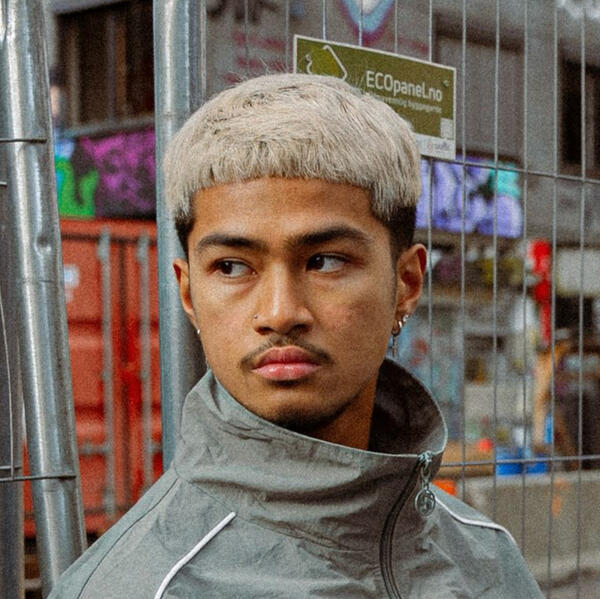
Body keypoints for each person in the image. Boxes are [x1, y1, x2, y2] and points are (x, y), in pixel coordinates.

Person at [50, 73, 542, 598]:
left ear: (405, 284)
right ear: (189, 294)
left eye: (325, 261)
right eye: (232, 267)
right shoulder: (138, 587)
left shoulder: (487, 559)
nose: (280, 313)